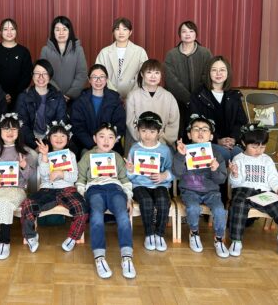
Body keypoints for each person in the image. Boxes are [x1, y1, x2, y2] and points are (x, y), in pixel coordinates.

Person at [77, 123, 135, 279]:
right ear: (94, 138)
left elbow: (124, 180)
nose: (106, 140)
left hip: (115, 189)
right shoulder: (87, 156)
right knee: (96, 216)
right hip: (94, 190)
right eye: (102, 136)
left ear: (115, 140)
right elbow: (81, 179)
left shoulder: (117, 157)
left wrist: (128, 197)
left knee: (123, 216)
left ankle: (127, 257)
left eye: (110, 137)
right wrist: (82, 196)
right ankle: (99, 257)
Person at [20, 121, 88, 253]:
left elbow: (74, 177)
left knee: (82, 207)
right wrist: (45, 156)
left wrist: (61, 174)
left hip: (67, 189)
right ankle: (31, 236)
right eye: (55, 135)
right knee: (27, 204)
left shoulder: (71, 155)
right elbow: (44, 175)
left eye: (63, 136)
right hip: (47, 189)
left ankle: (72, 238)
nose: (59, 138)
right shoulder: (43, 154)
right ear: (49, 138)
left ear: (68, 139)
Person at [228, 123, 278, 257]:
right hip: (243, 189)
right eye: (254, 147)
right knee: (238, 205)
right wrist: (234, 174)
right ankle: (236, 241)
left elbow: (273, 178)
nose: (258, 150)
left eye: (262, 147)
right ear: (244, 143)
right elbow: (235, 184)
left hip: (264, 192)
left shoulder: (267, 160)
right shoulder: (238, 159)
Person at [172, 115, 229, 258]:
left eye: (205, 129)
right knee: (193, 208)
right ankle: (194, 233)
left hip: (211, 192)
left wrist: (215, 169)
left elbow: (221, 179)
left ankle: (219, 238)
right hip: (189, 190)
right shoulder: (184, 151)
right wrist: (180, 156)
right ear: (189, 134)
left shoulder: (217, 154)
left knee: (220, 210)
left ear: (211, 136)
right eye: (196, 129)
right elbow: (177, 173)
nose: (200, 132)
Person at [0, 114, 36, 260]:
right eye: (6, 129)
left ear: (19, 132)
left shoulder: (25, 151)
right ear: (0, 132)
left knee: (5, 202)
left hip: (17, 189)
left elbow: (29, 176)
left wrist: (23, 166)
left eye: (13, 129)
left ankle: (5, 241)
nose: (10, 132)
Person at [125, 112, 173, 252]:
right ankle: (149, 234)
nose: (147, 135)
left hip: (159, 185)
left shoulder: (165, 150)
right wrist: (130, 170)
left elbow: (172, 169)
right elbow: (129, 176)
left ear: (159, 132)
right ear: (138, 131)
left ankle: (159, 234)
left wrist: (164, 176)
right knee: (146, 201)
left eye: (152, 132)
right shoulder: (135, 148)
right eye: (143, 131)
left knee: (163, 200)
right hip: (139, 185)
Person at [189, 55, 247, 161]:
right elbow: (195, 124)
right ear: (208, 73)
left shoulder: (234, 96)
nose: (218, 73)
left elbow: (241, 122)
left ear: (228, 73)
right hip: (207, 142)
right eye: (214, 70)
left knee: (238, 154)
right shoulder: (198, 95)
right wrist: (217, 140)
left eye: (222, 70)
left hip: (233, 143)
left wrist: (233, 139)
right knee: (223, 154)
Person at [163, 21, 212, 134]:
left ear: (196, 34)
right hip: (177, 101)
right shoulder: (171, 54)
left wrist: (196, 98)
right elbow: (171, 80)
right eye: (184, 31)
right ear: (179, 34)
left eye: (191, 31)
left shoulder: (205, 53)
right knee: (179, 131)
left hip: (201, 100)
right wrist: (188, 99)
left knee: (198, 130)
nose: (187, 34)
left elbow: (207, 75)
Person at [71, 64, 126, 155]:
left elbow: (120, 124)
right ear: (89, 80)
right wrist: (93, 146)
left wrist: (107, 144)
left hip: (111, 146)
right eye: (94, 77)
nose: (98, 80)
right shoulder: (80, 101)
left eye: (102, 77)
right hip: (87, 146)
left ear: (106, 79)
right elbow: (78, 127)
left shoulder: (115, 99)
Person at [126, 59, 179, 147]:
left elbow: (173, 122)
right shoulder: (133, 96)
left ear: (161, 75)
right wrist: (144, 138)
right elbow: (130, 122)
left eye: (157, 73)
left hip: (162, 143)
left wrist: (161, 139)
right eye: (149, 72)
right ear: (142, 74)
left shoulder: (169, 96)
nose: (153, 76)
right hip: (138, 144)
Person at [15, 59, 67, 149]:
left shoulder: (58, 97)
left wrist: (49, 144)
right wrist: (35, 145)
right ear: (32, 75)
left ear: (50, 76)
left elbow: (61, 122)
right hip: (29, 141)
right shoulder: (23, 97)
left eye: (45, 73)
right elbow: (22, 125)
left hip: (53, 140)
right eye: (37, 73)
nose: (41, 77)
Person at [95, 17, 148, 99]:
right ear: (113, 32)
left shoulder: (140, 52)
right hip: (109, 96)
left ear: (130, 32)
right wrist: (113, 94)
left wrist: (132, 95)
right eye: (117, 29)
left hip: (135, 97)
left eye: (125, 29)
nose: (121, 32)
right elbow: (98, 74)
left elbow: (144, 75)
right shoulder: (104, 52)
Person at [0, 18, 33, 108]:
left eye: (12, 29)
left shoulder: (23, 52)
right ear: (0, 32)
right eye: (5, 29)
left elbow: (27, 76)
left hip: (18, 97)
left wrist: (13, 94)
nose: (9, 32)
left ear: (16, 31)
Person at [40, 16, 88, 103]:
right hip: (51, 96)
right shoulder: (45, 50)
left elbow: (82, 74)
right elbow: (43, 73)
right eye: (57, 30)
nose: (61, 33)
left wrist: (70, 94)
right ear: (53, 32)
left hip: (74, 98)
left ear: (69, 31)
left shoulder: (78, 49)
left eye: (64, 29)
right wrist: (58, 93)